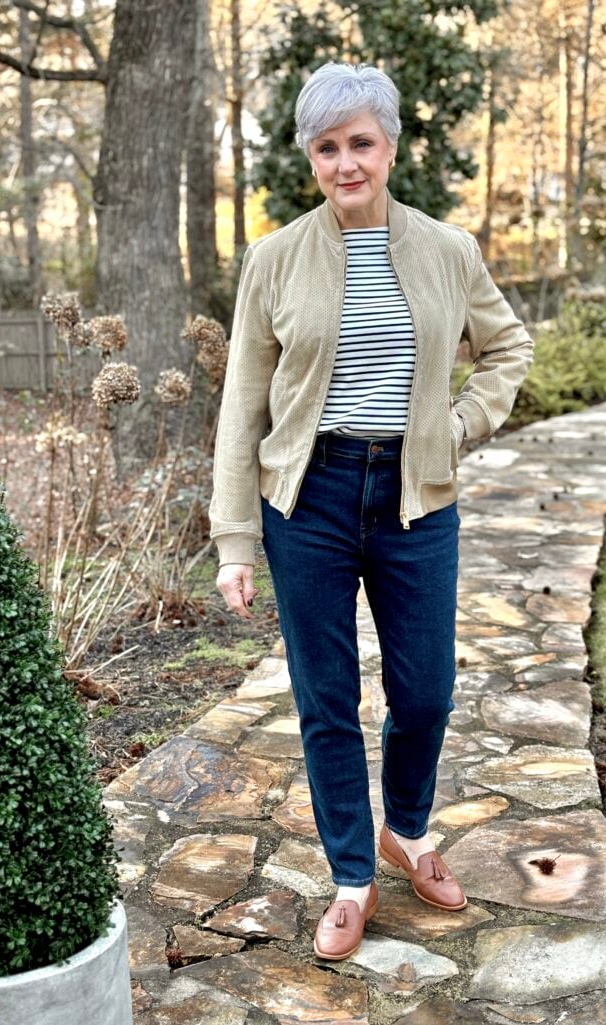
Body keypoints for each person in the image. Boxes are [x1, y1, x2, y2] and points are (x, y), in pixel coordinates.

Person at [209, 61, 533, 960]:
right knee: (325, 698)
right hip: (305, 497)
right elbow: (243, 405)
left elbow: (508, 346)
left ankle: (410, 829)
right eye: (327, 146)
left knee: (425, 688)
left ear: (389, 146)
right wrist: (236, 539)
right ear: (311, 157)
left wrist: (461, 421)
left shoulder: (447, 248)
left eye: (360, 142)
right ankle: (354, 874)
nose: (345, 162)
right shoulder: (274, 259)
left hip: (415, 494)